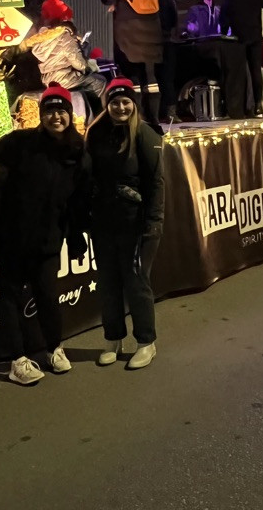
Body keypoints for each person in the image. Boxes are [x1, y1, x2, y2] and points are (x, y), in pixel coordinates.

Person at [0, 85, 90, 385]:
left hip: (49, 238)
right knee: (11, 296)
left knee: (48, 295)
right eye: (50, 111)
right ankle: (18, 360)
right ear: (41, 115)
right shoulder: (22, 142)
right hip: (13, 234)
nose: (56, 116)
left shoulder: (77, 151)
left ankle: (54, 348)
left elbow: (77, 199)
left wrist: (76, 236)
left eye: (61, 111)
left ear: (70, 115)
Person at [85, 78, 165, 370]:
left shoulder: (145, 134)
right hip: (105, 222)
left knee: (136, 282)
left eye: (125, 102)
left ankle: (146, 342)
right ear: (107, 104)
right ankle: (112, 339)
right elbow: (89, 178)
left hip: (137, 223)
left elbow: (156, 184)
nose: (120, 107)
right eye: (115, 102)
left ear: (133, 104)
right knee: (108, 282)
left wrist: (153, 223)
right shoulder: (96, 134)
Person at [99, 0, 164, 130]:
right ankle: (154, 121)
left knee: (132, 79)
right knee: (151, 79)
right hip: (152, 29)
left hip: (127, 32)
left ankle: (138, 123)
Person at [21, 0, 105, 101]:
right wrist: (87, 66)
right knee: (99, 83)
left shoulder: (40, 37)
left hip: (47, 80)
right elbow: (78, 63)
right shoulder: (64, 36)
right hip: (65, 78)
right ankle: (96, 115)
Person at [155, 0, 179, 123]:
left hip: (152, 43)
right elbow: (174, 20)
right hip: (168, 42)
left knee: (153, 80)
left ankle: (155, 113)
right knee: (168, 80)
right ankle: (171, 113)